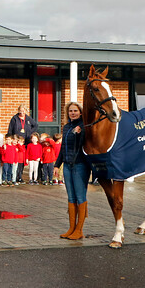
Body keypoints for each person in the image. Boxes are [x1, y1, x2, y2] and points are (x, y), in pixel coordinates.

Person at [56, 102, 90, 240]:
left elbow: (83, 145)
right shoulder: (66, 127)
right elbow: (63, 147)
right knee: (71, 197)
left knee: (80, 197)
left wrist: (78, 134)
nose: (73, 113)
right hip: (68, 165)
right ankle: (71, 228)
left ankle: (79, 230)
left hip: (80, 165)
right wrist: (57, 165)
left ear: (80, 112)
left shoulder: (83, 126)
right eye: (70, 111)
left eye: (75, 110)